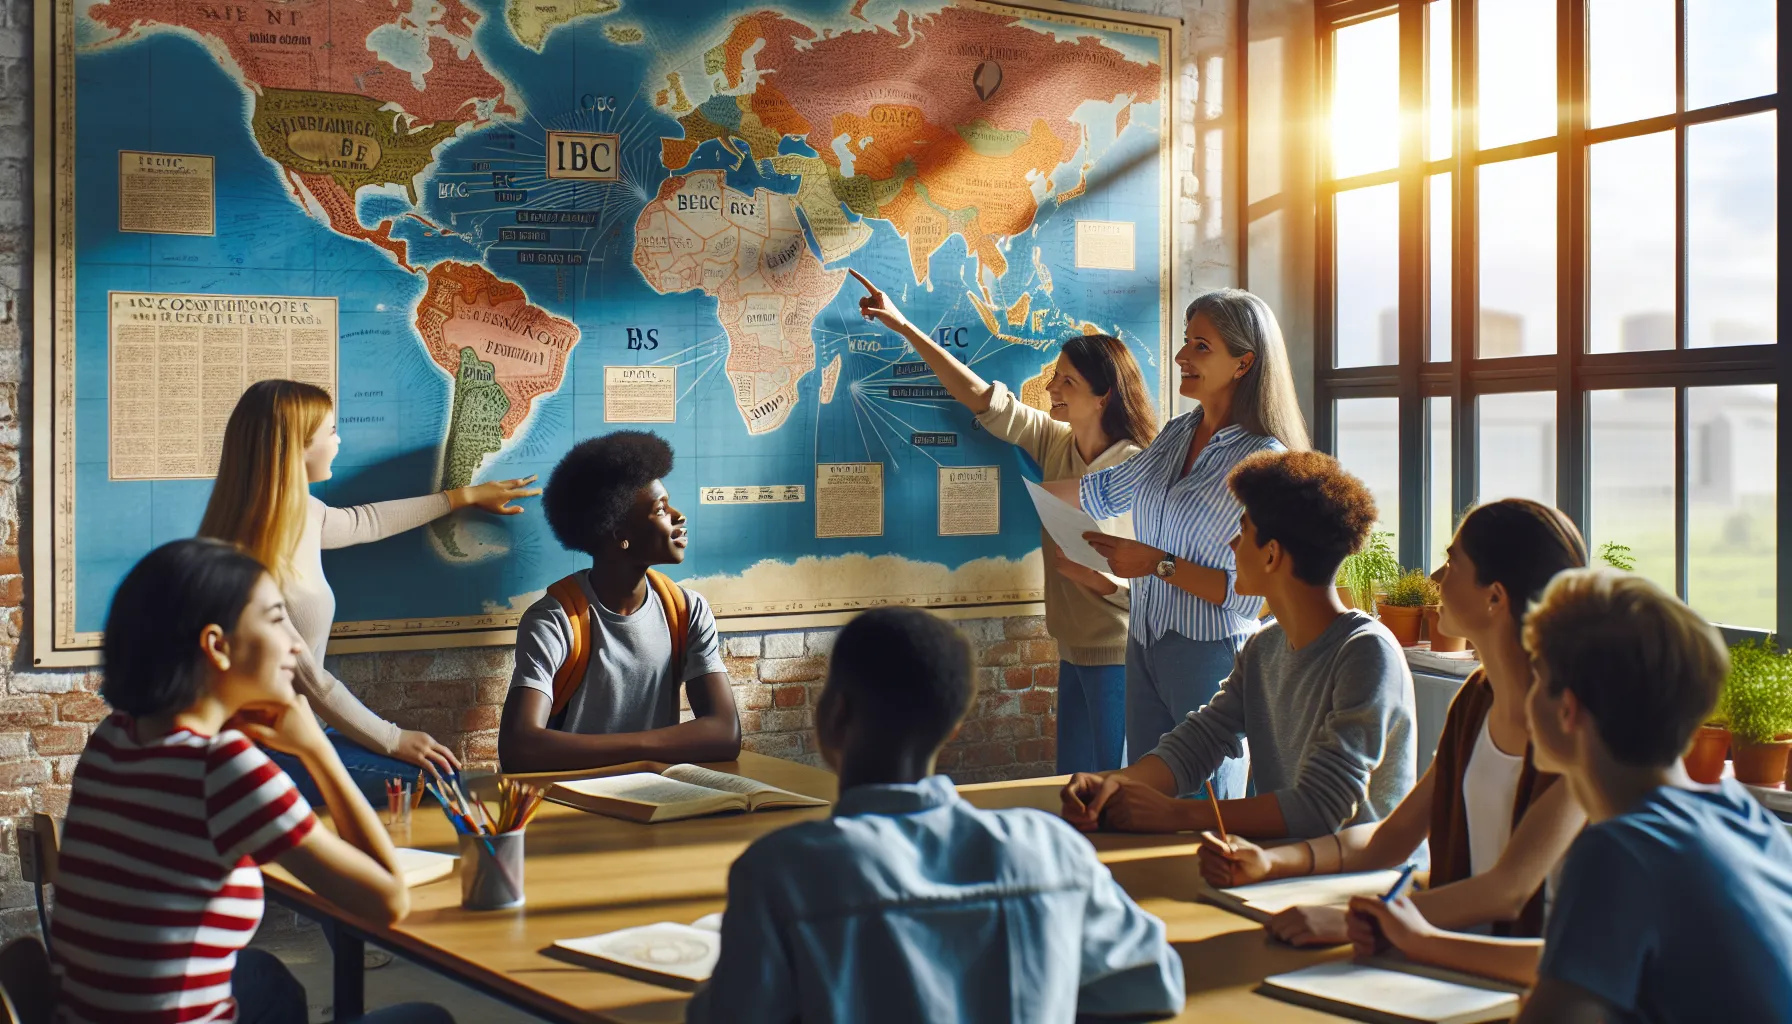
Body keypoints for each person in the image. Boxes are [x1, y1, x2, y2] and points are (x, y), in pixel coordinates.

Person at [686, 607, 1185, 1023]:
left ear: (832, 714)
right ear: (952, 727)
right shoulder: (1051, 851)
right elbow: (1156, 985)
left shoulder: (782, 872)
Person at [1350, 570, 1792, 1022]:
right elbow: (1577, 955)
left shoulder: (1620, 852)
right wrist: (1424, 942)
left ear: (1567, 709)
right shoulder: (1748, 821)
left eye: (1536, 676)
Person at [51, 538, 453, 1024]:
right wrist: (316, 749)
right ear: (217, 646)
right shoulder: (224, 769)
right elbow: (387, 902)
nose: (297, 643)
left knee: (261, 974)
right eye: (276, 618)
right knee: (427, 1017)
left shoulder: (113, 738)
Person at [1196, 499, 1589, 947]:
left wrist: (1355, 921)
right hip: (1448, 952)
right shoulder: (1477, 701)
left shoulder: (1576, 726)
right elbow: (1392, 836)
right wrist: (1273, 863)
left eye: (1451, 564)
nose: (1437, 580)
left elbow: (1509, 892)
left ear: (1494, 596)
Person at [850, 269, 1159, 773]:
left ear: (1103, 396)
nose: (1052, 387)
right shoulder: (1056, 440)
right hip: (1072, 645)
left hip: (1118, 652)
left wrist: (1098, 580)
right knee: (1074, 782)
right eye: (1055, 375)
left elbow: (1156, 579)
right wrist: (905, 327)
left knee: (1118, 785)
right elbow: (979, 397)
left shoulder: (1133, 463)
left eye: (1067, 381)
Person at [199, 379, 538, 803]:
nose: (339, 441)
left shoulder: (301, 512)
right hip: (260, 749)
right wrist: (395, 740)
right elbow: (311, 679)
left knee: (444, 786)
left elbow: (366, 522)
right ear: (295, 448)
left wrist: (463, 497)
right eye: (331, 432)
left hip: (299, 733)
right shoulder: (247, 556)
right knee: (440, 788)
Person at [1060, 450, 1415, 841]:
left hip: (1359, 889)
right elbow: (1199, 741)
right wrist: (1114, 784)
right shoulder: (1265, 647)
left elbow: (1323, 805)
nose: (1231, 543)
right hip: (1277, 873)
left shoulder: (1367, 652)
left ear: (1271, 554)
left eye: (1242, 531)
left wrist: (1175, 814)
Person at [1042, 289, 1309, 791]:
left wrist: (1157, 563)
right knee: (1148, 798)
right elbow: (1103, 491)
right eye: (1186, 342)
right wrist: (1030, 494)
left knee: (1207, 806)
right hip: (1143, 644)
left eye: (1201, 346)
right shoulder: (1174, 433)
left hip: (1209, 656)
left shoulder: (1266, 459)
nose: (1182, 356)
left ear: (1243, 363)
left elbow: (1248, 598)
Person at [498, 431, 740, 772]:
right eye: (660, 509)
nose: (678, 515)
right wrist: (649, 750)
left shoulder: (687, 611)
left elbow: (725, 734)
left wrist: (638, 753)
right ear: (618, 534)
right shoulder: (554, 620)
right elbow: (519, 747)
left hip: (656, 799)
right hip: (574, 805)